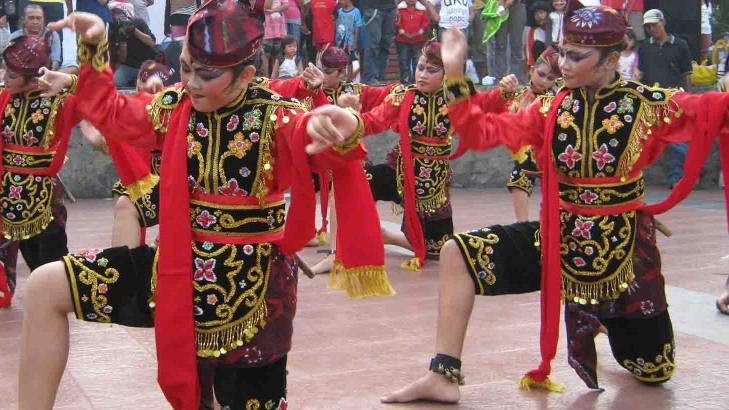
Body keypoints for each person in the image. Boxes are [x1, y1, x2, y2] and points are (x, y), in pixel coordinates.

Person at [18, 2, 393, 409]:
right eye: (186, 68)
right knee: (45, 286)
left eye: (207, 74)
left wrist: (346, 126)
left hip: (254, 294)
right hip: (175, 273)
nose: (192, 82)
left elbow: (322, 143)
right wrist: (93, 43)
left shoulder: (276, 116)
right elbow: (112, 113)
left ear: (246, 74)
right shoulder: (176, 106)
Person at [379, 2, 729, 403]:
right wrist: (455, 73)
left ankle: (605, 317)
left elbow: (713, 112)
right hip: (558, 242)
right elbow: (480, 133)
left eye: (577, 57)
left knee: (652, 369)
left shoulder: (648, 105)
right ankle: (443, 373)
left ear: (613, 57)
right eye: (562, 52)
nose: (564, 64)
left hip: (625, 255)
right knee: (459, 253)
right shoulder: (549, 109)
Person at [359, 41, 511, 270]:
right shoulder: (404, 96)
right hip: (403, 173)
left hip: (434, 185)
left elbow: (486, 103)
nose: (422, 75)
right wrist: (350, 122)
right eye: (420, 68)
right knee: (363, 182)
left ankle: (387, 236)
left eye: (431, 70)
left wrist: (505, 91)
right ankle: (356, 240)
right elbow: (375, 119)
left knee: (438, 251)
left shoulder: (455, 96)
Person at [0, 34, 81, 309]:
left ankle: (56, 300)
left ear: (31, 77)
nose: (5, 78)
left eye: (12, 74)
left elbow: (93, 95)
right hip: (6, 190)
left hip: (41, 193)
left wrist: (69, 79)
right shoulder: (4, 98)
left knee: (47, 255)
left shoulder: (57, 100)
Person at [308, 46, 395, 274]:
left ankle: (338, 255)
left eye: (327, 71)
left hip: (348, 160)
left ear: (341, 73)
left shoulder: (358, 91)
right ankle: (323, 242)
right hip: (320, 158)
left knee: (342, 202)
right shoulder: (310, 88)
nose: (321, 74)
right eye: (320, 68)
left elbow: (394, 92)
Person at [639, 8, 693, 189]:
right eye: (648, 27)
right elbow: (642, 73)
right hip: (651, 98)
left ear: (663, 22)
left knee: (677, 139)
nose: (651, 29)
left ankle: (679, 178)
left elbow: (687, 73)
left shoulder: (680, 45)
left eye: (654, 25)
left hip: (675, 98)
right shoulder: (645, 47)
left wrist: (688, 97)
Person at [506, 46, 561, 222]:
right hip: (528, 151)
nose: (544, 80)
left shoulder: (559, 96)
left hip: (552, 151)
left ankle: (553, 222)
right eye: (541, 74)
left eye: (550, 78)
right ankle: (522, 225)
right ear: (531, 70)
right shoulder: (519, 95)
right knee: (519, 177)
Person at [109, 5, 157, 87]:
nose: (120, 22)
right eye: (117, 21)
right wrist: (122, 40)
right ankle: (134, 82)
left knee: (149, 85)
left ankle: (136, 81)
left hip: (146, 64)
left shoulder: (139, 22)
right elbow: (122, 59)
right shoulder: (113, 32)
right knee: (116, 82)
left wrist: (134, 30)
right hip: (128, 66)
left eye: (122, 19)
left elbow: (152, 42)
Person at [11, 4, 61, 70]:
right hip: (21, 73)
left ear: (43, 20)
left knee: (72, 67)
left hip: (46, 73)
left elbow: (55, 60)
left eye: (38, 18)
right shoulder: (15, 36)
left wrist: (50, 74)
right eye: (31, 18)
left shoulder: (52, 35)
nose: (35, 22)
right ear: (23, 20)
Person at [395, 0, 432, 84]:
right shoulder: (399, 9)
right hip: (402, 41)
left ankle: (417, 82)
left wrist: (418, 33)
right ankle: (405, 83)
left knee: (418, 62)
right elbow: (397, 23)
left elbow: (425, 23)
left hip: (419, 41)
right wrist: (404, 33)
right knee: (404, 62)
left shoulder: (423, 9)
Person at [262, 0, 288, 77]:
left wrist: (273, 10)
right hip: (267, 32)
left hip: (279, 31)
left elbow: (286, 5)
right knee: (265, 57)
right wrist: (274, 9)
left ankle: (274, 80)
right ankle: (265, 79)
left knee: (276, 57)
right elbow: (266, 7)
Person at [523, 0, 548, 69]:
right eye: (536, 14)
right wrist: (532, 67)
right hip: (539, 63)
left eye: (541, 13)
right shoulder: (533, 31)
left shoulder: (554, 27)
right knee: (537, 45)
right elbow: (529, 50)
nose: (539, 16)